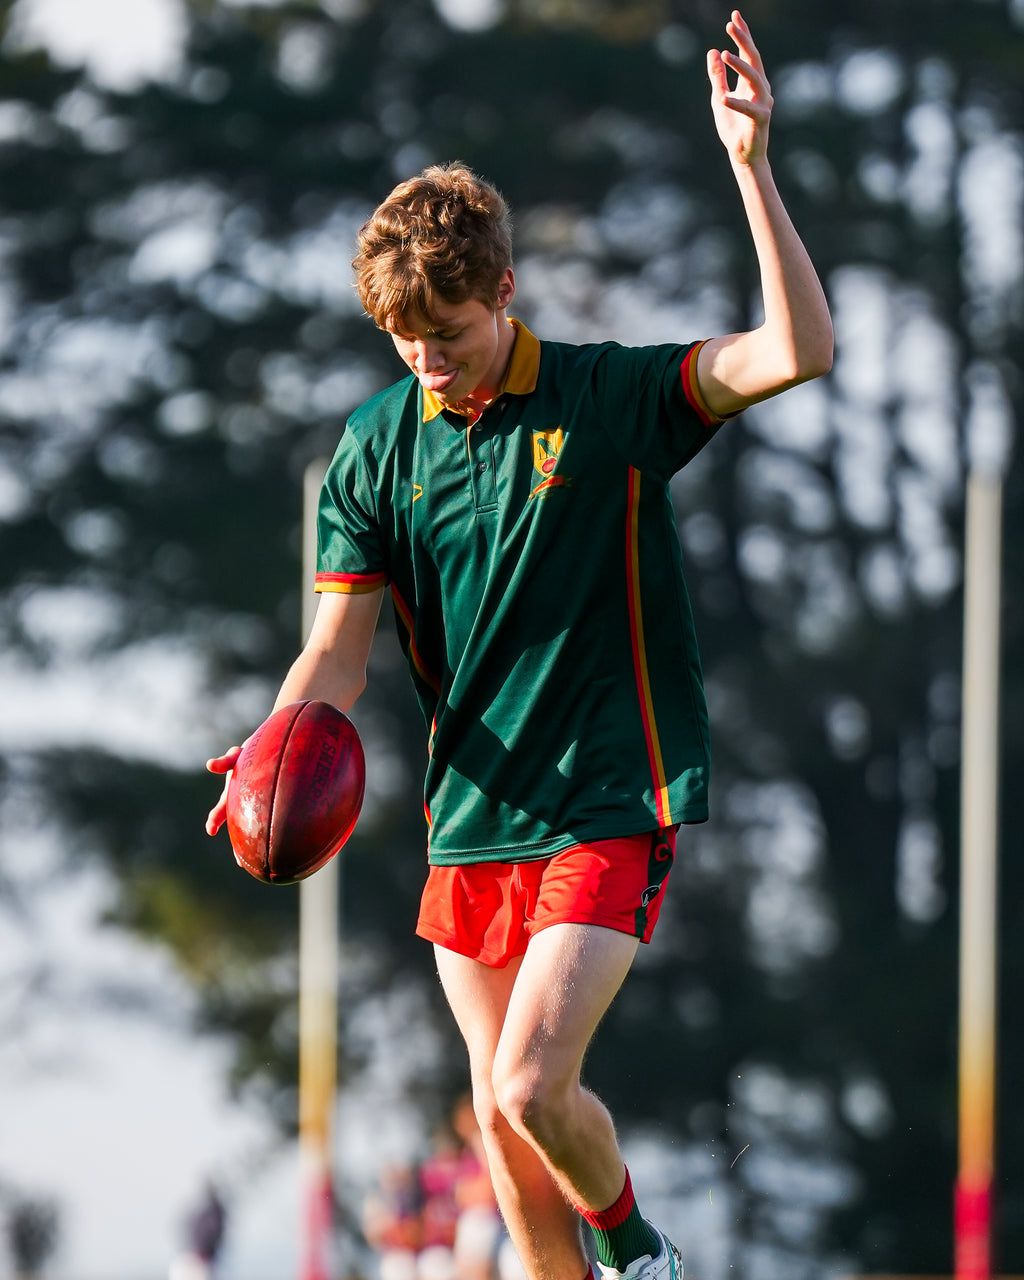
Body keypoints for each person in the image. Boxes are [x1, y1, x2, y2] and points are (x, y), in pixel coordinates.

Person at [206, 12, 832, 1280]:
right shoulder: (375, 448)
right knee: (499, 1120)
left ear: (502, 289)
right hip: (471, 813)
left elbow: (797, 351)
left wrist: (751, 165)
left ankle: (641, 1255)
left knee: (532, 1082)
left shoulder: (608, 398)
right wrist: (277, 740)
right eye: (403, 340)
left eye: (447, 329)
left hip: (606, 795)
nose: (427, 359)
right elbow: (336, 653)